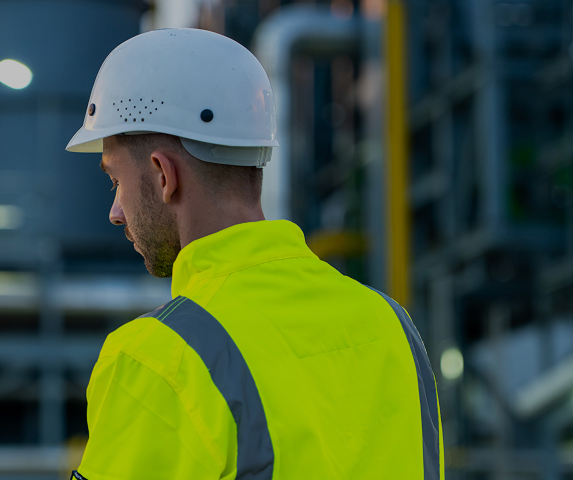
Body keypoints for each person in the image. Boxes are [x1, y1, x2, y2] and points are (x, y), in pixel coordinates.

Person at [63, 29, 443, 479]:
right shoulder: (393, 326)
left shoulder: (158, 357)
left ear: (164, 175)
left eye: (116, 182)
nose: (116, 212)